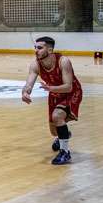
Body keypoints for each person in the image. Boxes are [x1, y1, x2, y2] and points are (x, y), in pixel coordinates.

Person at [21, 36, 83, 165]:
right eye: (35, 48)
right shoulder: (35, 64)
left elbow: (68, 86)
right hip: (54, 92)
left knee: (57, 116)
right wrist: (25, 92)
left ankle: (65, 153)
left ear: (49, 50)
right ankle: (63, 135)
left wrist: (50, 88)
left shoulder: (63, 61)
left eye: (39, 48)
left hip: (71, 93)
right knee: (53, 131)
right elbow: (29, 83)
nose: (36, 51)